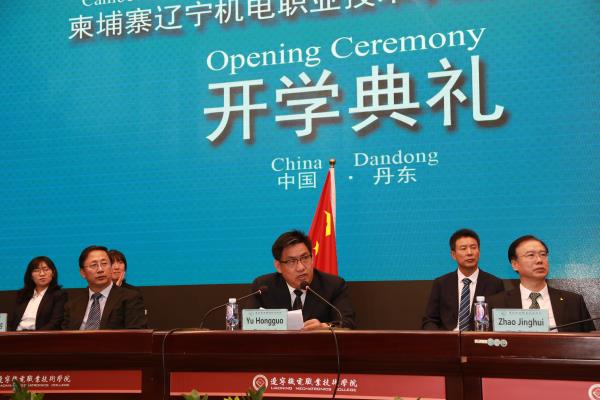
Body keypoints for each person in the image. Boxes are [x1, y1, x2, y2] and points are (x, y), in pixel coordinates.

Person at [247, 230, 356, 330]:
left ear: (312, 258)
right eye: (291, 261)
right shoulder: (264, 287)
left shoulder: (333, 286)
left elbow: (347, 323)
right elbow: (249, 324)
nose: (301, 267)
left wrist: (324, 326)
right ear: (278, 266)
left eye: (305, 258)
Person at [488, 235, 595, 332]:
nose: (539, 260)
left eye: (543, 254)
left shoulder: (573, 301)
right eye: (531, 255)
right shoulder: (496, 303)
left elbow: (591, 340)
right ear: (515, 264)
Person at [422, 229, 504, 330]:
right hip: (448, 337)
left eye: (473, 247)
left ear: (479, 251)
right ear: (453, 255)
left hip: (479, 338)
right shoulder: (441, 283)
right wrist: (440, 337)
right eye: (463, 248)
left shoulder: (495, 284)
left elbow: (499, 321)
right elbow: (430, 320)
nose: (469, 253)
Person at [62, 245, 147, 330]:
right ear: (82, 272)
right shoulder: (74, 302)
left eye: (104, 264)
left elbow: (136, 334)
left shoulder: (130, 298)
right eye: (94, 265)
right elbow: (63, 334)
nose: (100, 270)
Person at [8, 256, 68, 331]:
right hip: (16, 335)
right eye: (36, 270)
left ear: (53, 273)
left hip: (40, 336)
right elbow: (11, 321)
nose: (42, 274)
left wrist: (36, 335)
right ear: (31, 276)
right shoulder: (22, 294)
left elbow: (55, 323)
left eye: (46, 269)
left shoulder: (59, 295)